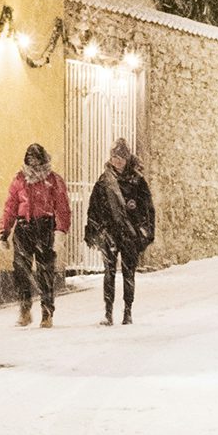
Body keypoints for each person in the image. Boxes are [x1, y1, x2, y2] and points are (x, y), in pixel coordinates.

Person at [85, 137, 155, 327]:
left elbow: (147, 209)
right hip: (110, 233)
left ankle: (127, 311)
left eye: (121, 157)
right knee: (109, 273)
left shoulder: (137, 182)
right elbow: (94, 207)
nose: (118, 161)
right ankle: (108, 312)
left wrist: (144, 231)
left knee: (128, 273)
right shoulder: (104, 181)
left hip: (130, 234)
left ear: (127, 158)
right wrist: (94, 229)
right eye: (115, 157)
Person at [0, 142, 70, 327]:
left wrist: (60, 231)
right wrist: (4, 231)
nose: (33, 163)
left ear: (43, 160)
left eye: (36, 159)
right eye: (29, 159)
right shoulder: (20, 180)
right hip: (23, 229)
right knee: (21, 270)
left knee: (45, 272)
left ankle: (47, 313)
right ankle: (24, 310)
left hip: (44, 228)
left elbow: (62, 208)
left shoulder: (53, 180)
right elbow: (11, 207)